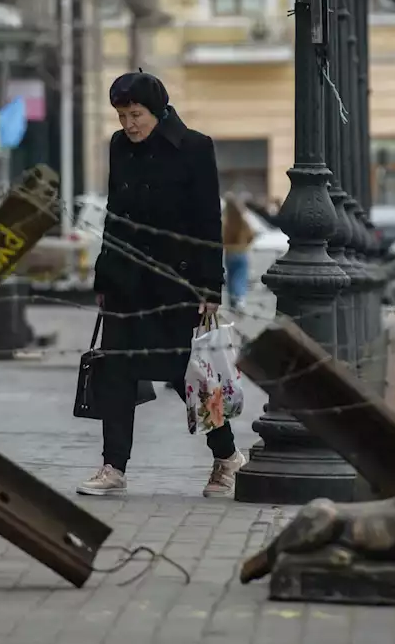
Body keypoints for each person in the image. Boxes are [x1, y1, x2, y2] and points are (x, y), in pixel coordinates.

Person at [78, 70, 245, 499]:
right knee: (115, 370)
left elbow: (209, 220)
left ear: (157, 110)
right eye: (121, 116)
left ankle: (225, 457)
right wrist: (103, 273)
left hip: (177, 284)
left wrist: (210, 287)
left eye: (136, 115)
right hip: (125, 282)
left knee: (186, 375)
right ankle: (113, 465)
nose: (129, 125)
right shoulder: (119, 147)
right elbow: (114, 212)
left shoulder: (194, 148)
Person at [222, 194, 256, 312]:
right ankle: (240, 299)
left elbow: (222, 237)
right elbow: (252, 234)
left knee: (231, 277)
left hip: (230, 253)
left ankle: (232, 299)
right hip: (241, 252)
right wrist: (245, 244)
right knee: (240, 276)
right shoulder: (242, 220)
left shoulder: (226, 222)